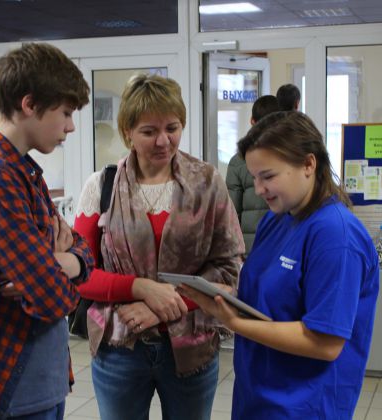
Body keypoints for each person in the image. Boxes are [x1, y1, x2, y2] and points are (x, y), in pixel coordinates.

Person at [181, 111, 379, 419]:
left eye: (268, 176)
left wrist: (235, 323)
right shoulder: (276, 220)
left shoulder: (336, 236)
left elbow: (325, 343)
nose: (259, 189)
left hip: (303, 405)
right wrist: (228, 297)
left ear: (309, 165)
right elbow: (275, 300)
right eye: (254, 177)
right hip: (258, 394)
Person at [73, 74, 244, 420]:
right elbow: (81, 274)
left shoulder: (207, 182)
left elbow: (229, 268)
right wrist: (140, 288)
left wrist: (163, 306)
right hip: (119, 347)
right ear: (128, 133)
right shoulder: (102, 186)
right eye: (149, 131)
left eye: (172, 128)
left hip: (192, 346)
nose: (164, 141)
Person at [0, 43, 94, 420]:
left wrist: (68, 261)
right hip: (10, 380)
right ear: (29, 104)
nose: (71, 126)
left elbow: (82, 249)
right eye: (65, 113)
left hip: (39, 378)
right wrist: (59, 268)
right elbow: (51, 298)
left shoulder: (21, 169)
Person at [226, 95, 279, 253]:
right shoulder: (285, 157)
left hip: (249, 249)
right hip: (281, 245)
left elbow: (231, 214)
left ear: (252, 121)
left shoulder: (238, 161)